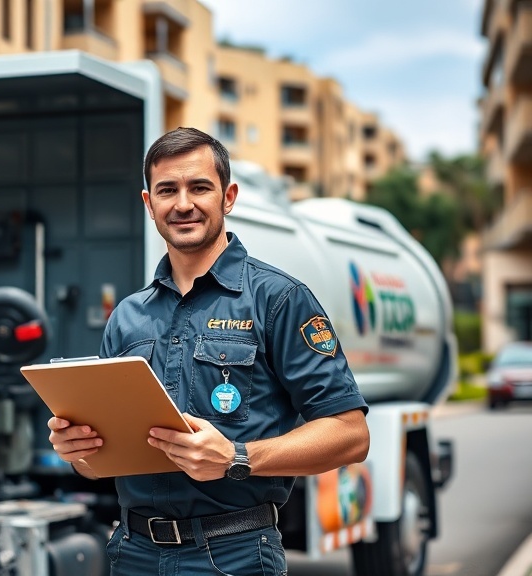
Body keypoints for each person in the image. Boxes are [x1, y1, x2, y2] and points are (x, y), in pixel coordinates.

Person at [46, 127, 370, 575]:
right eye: (167, 190)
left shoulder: (278, 299)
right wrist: (79, 453)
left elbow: (351, 434)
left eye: (199, 187)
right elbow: (98, 466)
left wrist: (237, 458)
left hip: (234, 554)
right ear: (149, 204)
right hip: (133, 553)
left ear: (228, 197)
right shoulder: (127, 316)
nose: (183, 204)